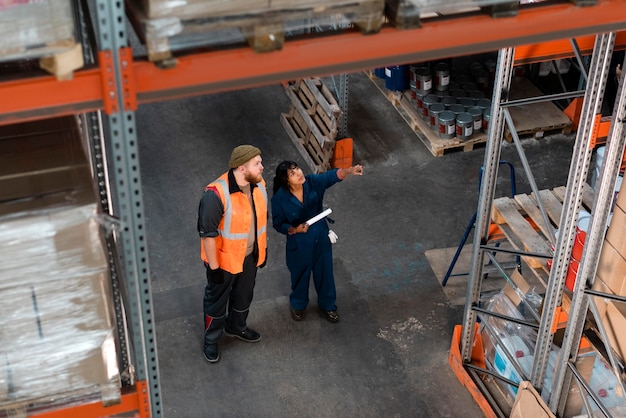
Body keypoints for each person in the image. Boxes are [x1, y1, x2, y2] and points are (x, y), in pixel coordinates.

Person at [197, 145, 268, 363]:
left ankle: (237, 327)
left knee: (243, 296)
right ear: (241, 167)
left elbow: (259, 219)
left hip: (249, 257)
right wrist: (215, 268)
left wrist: (261, 249)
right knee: (217, 302)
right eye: (257, 163)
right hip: (224, 262)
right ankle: (211, 340)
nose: (262, 167)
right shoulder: (216, 194)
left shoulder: (259, 185)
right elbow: (207, 234)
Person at [271, 161, 363, 323]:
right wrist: (295, 229)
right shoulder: (279, 199)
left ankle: (328, 305)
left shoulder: (312, 182)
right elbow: (278, 224)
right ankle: (298, 304)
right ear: (286, 181)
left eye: (297, 169)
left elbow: (331, 176)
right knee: (300, 274)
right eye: (292, 174)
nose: (299, 173)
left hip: (320, 236)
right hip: (299, 242)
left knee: (325, 272)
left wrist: (349, 171)